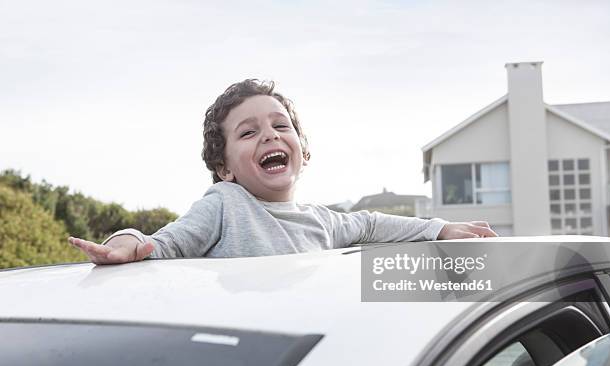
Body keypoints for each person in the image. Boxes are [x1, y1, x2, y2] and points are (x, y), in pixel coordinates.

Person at [69, 79, 497, 264]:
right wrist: (124, 243)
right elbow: (166, 243)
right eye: (249, 132)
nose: (269, 137)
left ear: (302, 151)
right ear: (224, 168)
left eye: (280, 126)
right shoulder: (225, 203)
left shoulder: (321, 220)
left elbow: (369, 225)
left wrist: (438, 229)